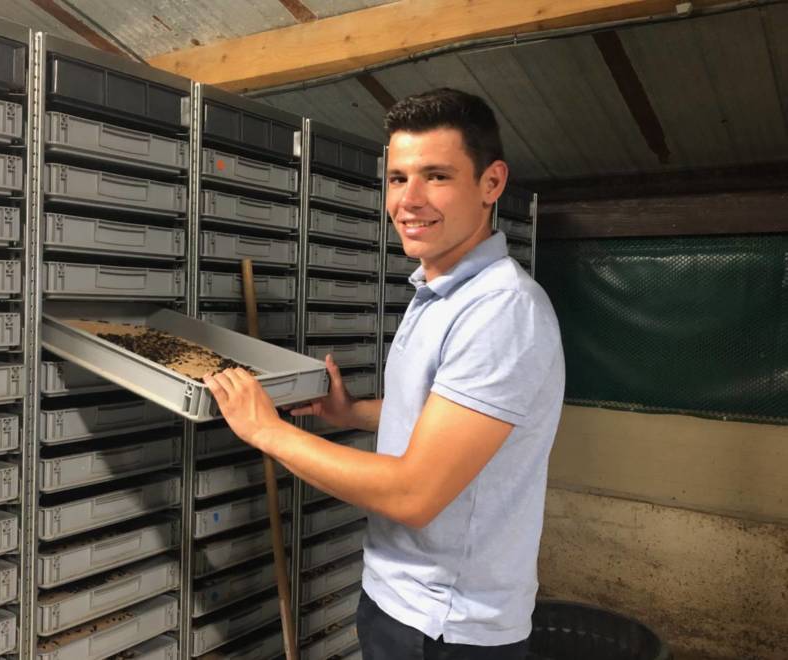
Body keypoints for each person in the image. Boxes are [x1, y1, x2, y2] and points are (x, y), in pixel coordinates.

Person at [202, 87, 565, 660]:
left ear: (491, 183)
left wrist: (266, 430)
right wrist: (351, 413)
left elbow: (414, 494)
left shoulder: (501, 310)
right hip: (397, 595)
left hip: (448, 628)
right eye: (398, 178)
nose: (409, 200)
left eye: (437, 176)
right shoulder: (439, 291)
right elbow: (441, 416)